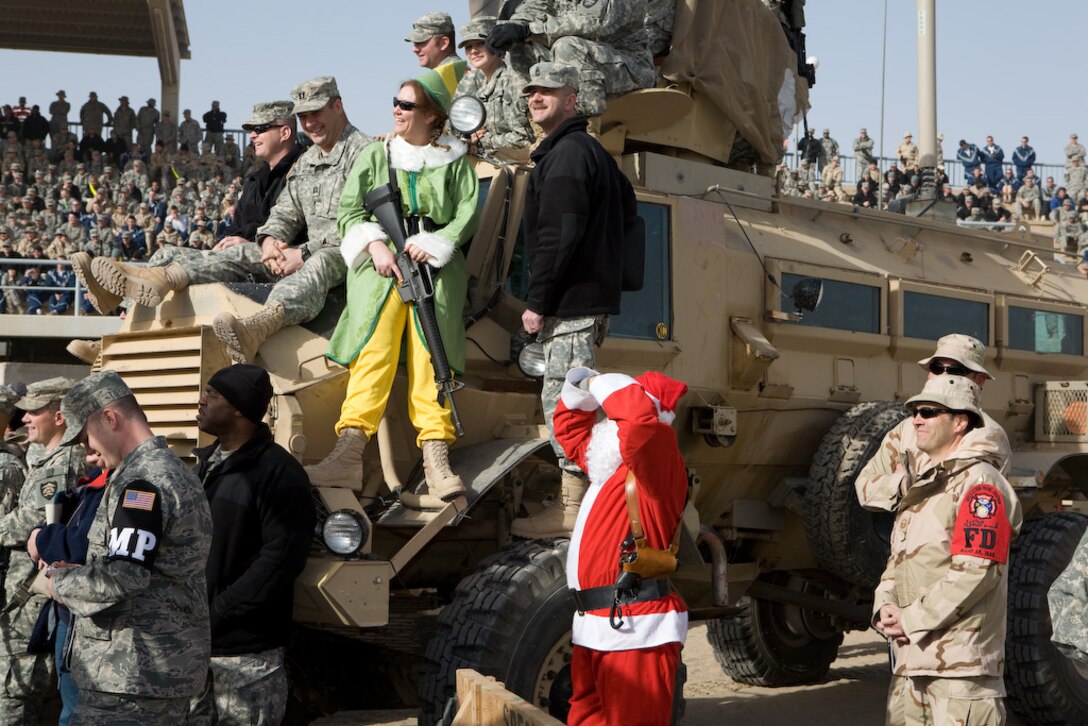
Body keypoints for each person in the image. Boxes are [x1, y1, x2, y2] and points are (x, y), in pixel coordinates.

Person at [76, 85, 369, 365]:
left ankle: (257, 327)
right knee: (168, 254)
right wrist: (268, 241)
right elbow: (284, 212)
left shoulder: (364, 154)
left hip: (337, 255)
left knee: (313, 262)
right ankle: (121, 327)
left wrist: (297, 252)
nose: (309, 122)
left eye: (315, 113)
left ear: (337, 107)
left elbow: (359, 223)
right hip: (281, 254)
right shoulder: (285, 170)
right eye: (304, 116)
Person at [306, 64, 478, 501]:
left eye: (407, 104)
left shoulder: (456, 161)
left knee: (431, 355)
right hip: (381, 266)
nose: (396, 111)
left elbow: (467, 213)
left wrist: (439, 243)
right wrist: (377, 247)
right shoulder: (376, 154)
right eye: (396, 102)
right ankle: (347, 455)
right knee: (375, 351)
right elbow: (350, 213)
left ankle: (436, 458)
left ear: (433, 115)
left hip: (434, 269)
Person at [512, 62, 637, 538]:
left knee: (564, 404)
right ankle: (574, 504)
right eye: (531, 91)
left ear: (571, 99)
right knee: (569, 398)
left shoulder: (566, 156)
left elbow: (558, 236)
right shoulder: (593, 153)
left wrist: (538, 301)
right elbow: (627, 208)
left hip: (571, 308)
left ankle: (572, 510)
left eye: (547, 91)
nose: (535, 97)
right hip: (586, 302)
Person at [47, 370, 212, 723]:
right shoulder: (168, 470)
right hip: (148, 674)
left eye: (86, 436)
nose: (87, 450)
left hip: (130, 679)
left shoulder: (142, 482)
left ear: (110, 417)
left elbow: (125, 576)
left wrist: (57, 583)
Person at [874, 375, 1021, 725]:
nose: (916, 420)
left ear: (959, 422)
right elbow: (899, 560)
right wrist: (885, 606)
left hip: (961, 676)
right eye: (914, 411)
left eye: (929, 411)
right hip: (911, 666)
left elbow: (977, 572)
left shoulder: (980, 485)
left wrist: (910, 619)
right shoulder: (924, 485)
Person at [554, 367, 688, 725]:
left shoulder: (657, 457)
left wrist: (601, 383)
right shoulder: (610, 463)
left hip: (635, 629)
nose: (608, 423)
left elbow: (640, 425)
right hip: (598, 626)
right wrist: (579, 383)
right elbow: (570, 432)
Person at [187, 365, 314, 725]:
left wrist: (222, 609)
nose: (201, 401)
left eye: (211, 395)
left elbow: (281, 559)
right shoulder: (207, 464)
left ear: (239, 408)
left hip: (246, 657)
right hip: (198, 649)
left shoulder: (279, 473)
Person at [0, 377, 83, 725]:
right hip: (25, 597)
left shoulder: (62, 463)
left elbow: (33, 520)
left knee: (16, 699)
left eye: (34, 411)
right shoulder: (48, 459)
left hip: (33, 601)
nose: (25, 420)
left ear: (60, 415)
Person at [856, 334, 1011, 513]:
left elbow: (952, 491)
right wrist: (902, 484)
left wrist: (907, 480)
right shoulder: (908, 428)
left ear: (979, 380)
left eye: (956, 370)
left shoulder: (987, 435)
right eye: (936, 368)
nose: (943, 375)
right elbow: (863, 487)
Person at [28, 444, 108, 726]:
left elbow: (79, 546)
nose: (88, 449)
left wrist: (41, 539)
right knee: (70, 708)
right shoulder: (92, 483)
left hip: (94, 623)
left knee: (77, 712)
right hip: (68, 616)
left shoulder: (122, 486)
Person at [488, 0, 654, 118]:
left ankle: (585, 125)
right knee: (519, 46)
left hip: (631, 68)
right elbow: (535, 7)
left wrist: (530, 29)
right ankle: (531, 123)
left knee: (567, 46)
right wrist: (512, 28)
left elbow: (596, 22)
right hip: (584, 62)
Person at [456, 16, 534, 154]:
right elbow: (455, 128)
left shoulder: (513, 79)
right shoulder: (474, 84)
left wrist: (484, 142)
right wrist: (468, 138)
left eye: (480, 43)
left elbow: (525, 139)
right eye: (468, 47)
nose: (473, 51)